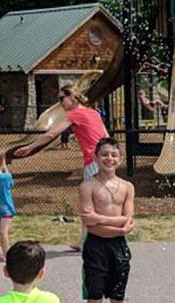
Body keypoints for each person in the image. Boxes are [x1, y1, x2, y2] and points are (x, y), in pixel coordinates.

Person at [11, 85, 108, 251]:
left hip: (93, 163)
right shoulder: (93, 113)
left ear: (73, 97)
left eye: (62, 98)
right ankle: (85, 242)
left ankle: (93, 243)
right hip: (104, 161)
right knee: (96, 203)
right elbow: (106, 136)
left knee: (89, 205)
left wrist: (30, 147)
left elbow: (51, 134)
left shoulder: (75, 114)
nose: (60, 102)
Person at [78, 138, 135, 303]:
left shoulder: (127, 187)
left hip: (119, 248)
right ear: (96, 158)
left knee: (118, 299)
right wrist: (119, 222)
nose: (109, 158)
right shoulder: (87, 187)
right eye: (104, 154)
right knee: (94, 299)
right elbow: (90, 226)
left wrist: (101, 219)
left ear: (119, 159)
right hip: (96, 248)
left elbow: (128, 222)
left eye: (113, 154)